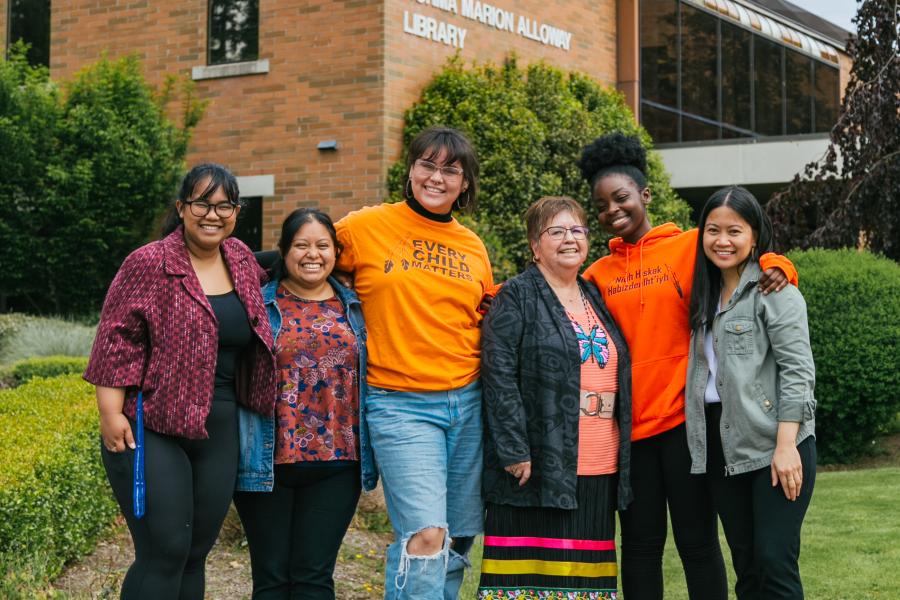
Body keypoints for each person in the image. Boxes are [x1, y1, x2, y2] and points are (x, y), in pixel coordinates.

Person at [575, 133, 798, 600]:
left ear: (645, 195)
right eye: (601, 205)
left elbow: (741, 251)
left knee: (697, 544)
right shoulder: (595, 274)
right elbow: (557, 297)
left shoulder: (691, 246)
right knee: (639, 545)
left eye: (622, 198)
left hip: (688, 426)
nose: (613, 211)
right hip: (630, 433)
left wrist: (780, 264)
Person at [84, 163, 276, 599]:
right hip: (151, 423)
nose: (213, 214)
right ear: (181, 208)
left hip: (220, 426)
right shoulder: (150, 263)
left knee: (194, 552)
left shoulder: (242, 261)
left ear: (236, 211)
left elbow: (289, 263)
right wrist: (110, 413)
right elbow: (117, 339)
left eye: (225, 205)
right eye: (202, 203)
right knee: (164, 550)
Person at [334, 126, 493, 599]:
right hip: (400, 403)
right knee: (425, 535)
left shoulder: (473, 247)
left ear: (465, 183)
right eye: (427, 164)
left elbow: (480, 318)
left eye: (451, 169)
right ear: (411, 170)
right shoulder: (365, 227)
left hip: (467, 401)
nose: (437, 177)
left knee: (459, 535)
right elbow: (307, 258)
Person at [478, 196, 632, 600]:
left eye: (577, 230)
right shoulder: (516, 296)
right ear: (535, 245)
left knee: (586, 582)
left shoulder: (594, 295)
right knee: (528, 581)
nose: (569, 239)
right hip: (537, 463)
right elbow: (499, 376)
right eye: (556, 231)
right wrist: (513, 449)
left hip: (599, 462)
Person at [685, 186, 816, 599]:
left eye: (734, 231)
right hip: (721, 444)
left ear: (755, 235)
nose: (722, 241)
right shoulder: (701, 294)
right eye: (712, 230)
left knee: (775, 561)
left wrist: (786, 445)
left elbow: (798, 371)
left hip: (774, 441)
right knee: (747, 564)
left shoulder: (775, 290)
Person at [233, 208, 371, 599]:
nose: (313, 254)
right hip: (266, 461)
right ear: (283, 252)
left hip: (338, 462)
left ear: (336, 253)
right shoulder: (257, 304)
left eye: (323, 245)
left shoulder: (357, 305)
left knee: (314, 577)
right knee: (271, 578)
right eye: (301, 245)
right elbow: (232, 255)